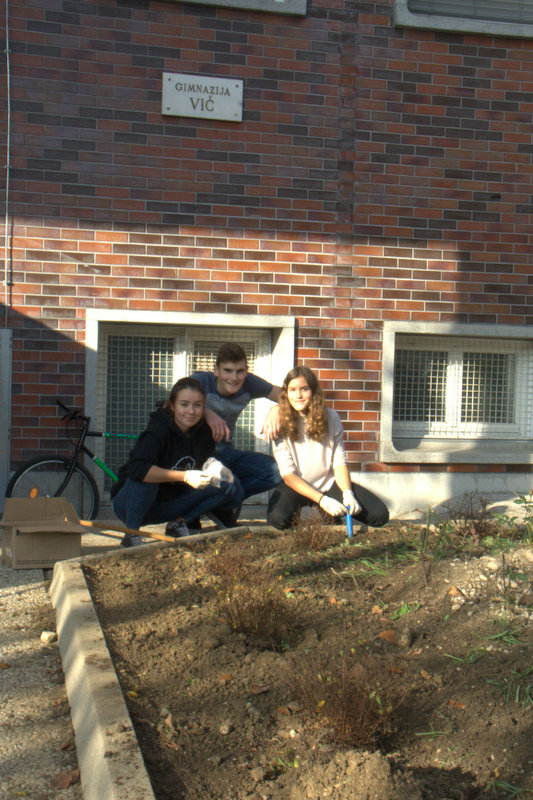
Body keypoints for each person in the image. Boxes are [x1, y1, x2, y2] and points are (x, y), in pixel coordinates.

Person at [111, 377, 245, 547]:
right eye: (184, 404)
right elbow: (138, 469)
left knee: (226, 484)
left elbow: (205, 462)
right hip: (130, 505)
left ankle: (178, 523)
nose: (191, 411)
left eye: (197, 405)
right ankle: (131, 535)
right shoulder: (159, 428)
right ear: (173, 406)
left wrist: (214, 468)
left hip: (169, 505)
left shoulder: (204, 432)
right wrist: (185, 476)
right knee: (147, 474)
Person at [267, 366, 389, 531]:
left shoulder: (331, 417)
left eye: (304, 389)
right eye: (292, 390)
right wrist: (322, 500)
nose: (298, 395)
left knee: (379, 515)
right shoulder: (278, 423)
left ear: (314, 391)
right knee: (278, 520)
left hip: (327, 483)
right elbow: (288, 476)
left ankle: (329, 514)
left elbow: (339, 463)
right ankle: (320, 511)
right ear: (286, 393)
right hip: (296, 486)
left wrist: (347, 492)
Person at [190, 343, 282, 525]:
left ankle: (220, 504)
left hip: (225, 451)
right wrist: (206, 413)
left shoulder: (250, 383)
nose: (234, 378)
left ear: (246, 371)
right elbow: (171, 405)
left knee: (275, 472)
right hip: (196, 454)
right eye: (228, 371)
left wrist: (278, 408)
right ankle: (193, 510)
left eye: (240, 371)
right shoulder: (199, 382)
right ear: (216, 370)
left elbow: (286, 395)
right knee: (226, 483)